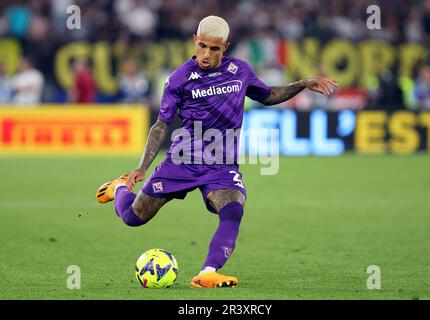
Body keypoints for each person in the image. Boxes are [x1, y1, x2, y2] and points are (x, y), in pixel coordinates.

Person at [96, 16, 337, 288]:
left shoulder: (240, 71)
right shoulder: (179, 78)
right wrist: (141, 167)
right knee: (132, 217)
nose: (207, 55)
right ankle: (119, 190)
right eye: (202, 46)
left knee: (234, 208)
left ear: (226, 47)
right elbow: (161, 126)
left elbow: (268, 95)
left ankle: (208, 272)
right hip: (183, 160)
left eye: (215, 49)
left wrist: (302, 83)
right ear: (194, 42)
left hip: (222, 165)